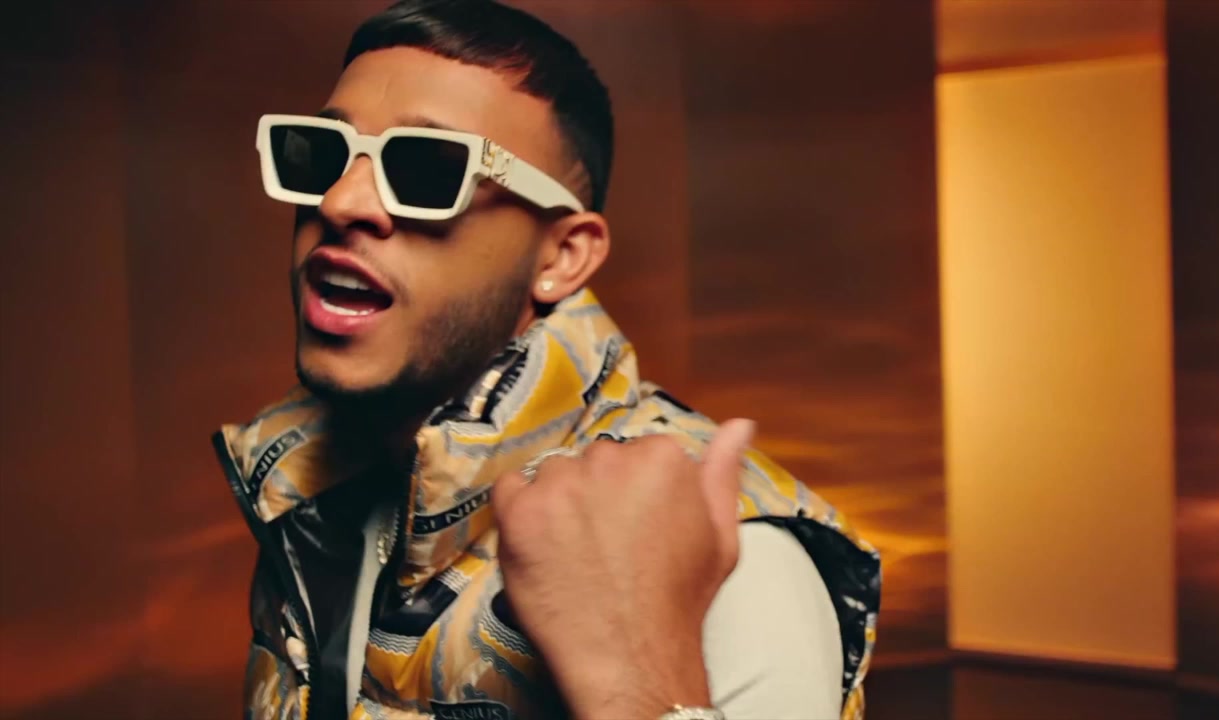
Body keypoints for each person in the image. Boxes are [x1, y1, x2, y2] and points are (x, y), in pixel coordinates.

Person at [214, 1, 880, 718]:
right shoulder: (310, 498)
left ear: (563, 256)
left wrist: (636, 682)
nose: (342, 202)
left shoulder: (727, 558)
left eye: (427, 169)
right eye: (323, 154)